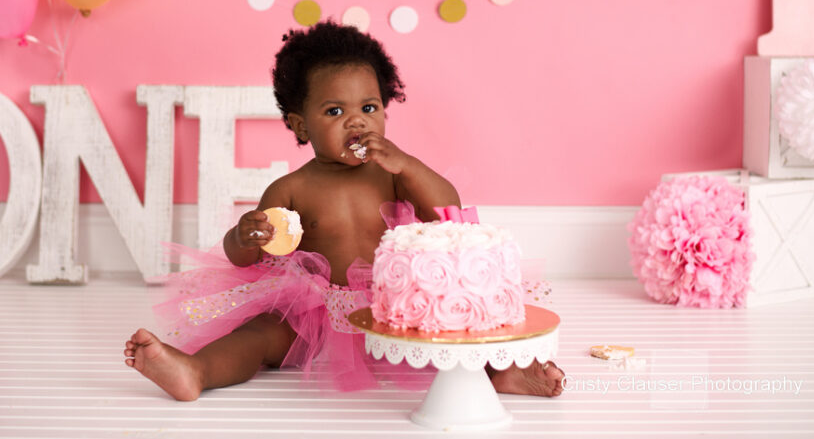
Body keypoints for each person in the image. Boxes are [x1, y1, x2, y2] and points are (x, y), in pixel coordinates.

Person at [124, 21, 564, 399]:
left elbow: (450, 211)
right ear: (301, 125)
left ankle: (504, 372)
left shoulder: (393, 174)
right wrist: (244, 237)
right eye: (335, 110)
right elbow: (246, 258)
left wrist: (407, 165)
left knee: (452, 329)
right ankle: (196, 372)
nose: (356, 122)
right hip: (313, 312)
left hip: (395, 306)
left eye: (369, 108)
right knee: (259, 335)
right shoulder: (292, 187)